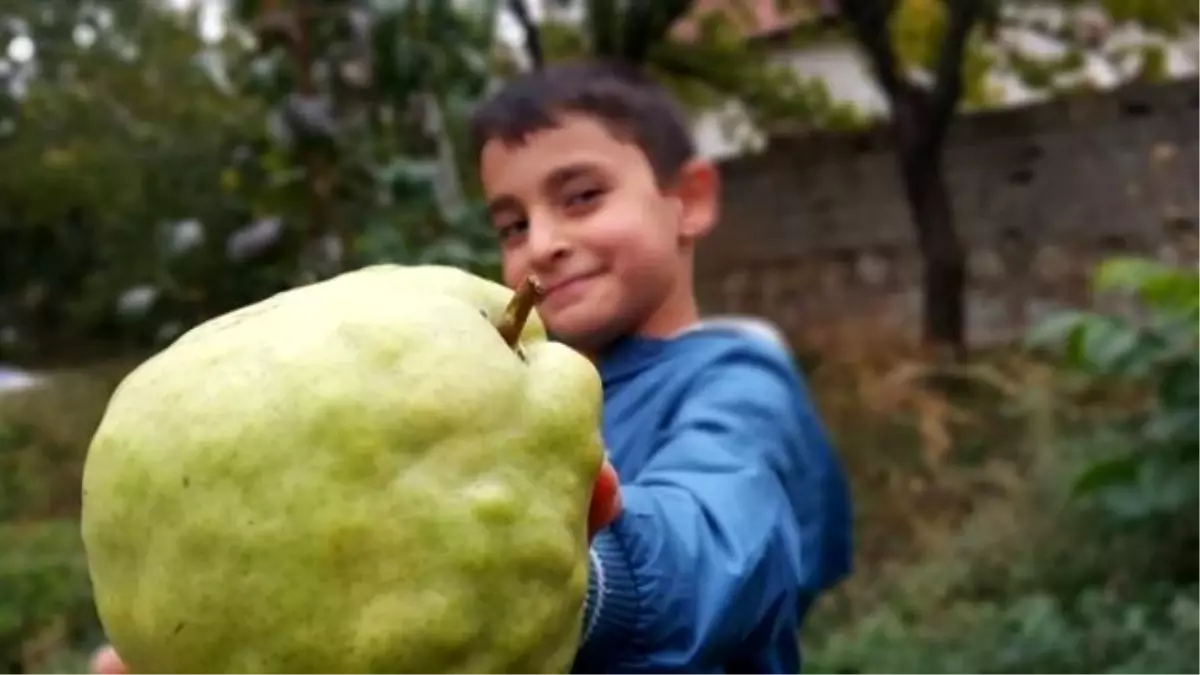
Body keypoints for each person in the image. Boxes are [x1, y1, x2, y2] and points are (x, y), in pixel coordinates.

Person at [89, 58, 854, 675]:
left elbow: (731, 548)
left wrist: (579, 585)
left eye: (582, 195)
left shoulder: (740, 383)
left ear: (688, 198)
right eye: (513, 222)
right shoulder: (495, 388)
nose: (544, 242)